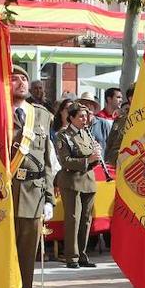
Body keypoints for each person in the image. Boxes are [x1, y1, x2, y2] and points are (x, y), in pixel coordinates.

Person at [0, 65, 56, 288]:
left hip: (32, 198)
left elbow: (46, 162)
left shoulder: (41, 115)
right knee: (2, 263)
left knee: (25, 266)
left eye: (23, 78)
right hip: (3, 199)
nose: (20, 82)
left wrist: (48, 199)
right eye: (13, 78)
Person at [54, 101, 99, 269]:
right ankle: (71, 257)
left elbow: (92, 158)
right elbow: (65, 161)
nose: (85, 119)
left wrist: (95, 159)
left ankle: (82, 254)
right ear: (71, 118)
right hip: (72, 181)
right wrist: (89, 160)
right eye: (80, 116)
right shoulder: (63, 135)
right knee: (73, 219)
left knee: (86, 220)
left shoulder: (86, 133)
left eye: (86, 116)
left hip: (88, 180)